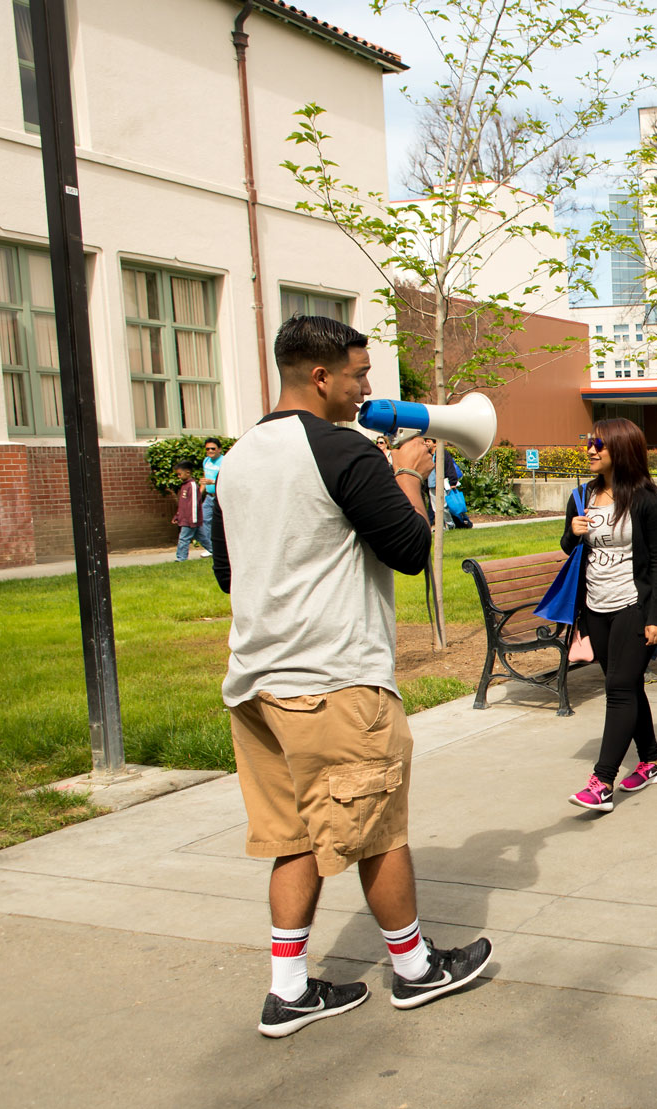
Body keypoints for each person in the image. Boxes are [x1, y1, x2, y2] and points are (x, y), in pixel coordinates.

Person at [212, 315, 492, 1038]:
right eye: (361, 376)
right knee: (378, 828)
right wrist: (405, 470)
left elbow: (226, 572)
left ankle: (290, 990)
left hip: (256, 684)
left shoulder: (238, 458)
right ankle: (415, 970)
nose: (368, 389)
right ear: (322, 377)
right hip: (335, 680)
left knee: (292, 838)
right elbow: (405, 548)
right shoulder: (341, 449)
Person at [563, 419, 657, 813]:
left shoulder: (647, 498)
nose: (591, 450)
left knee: (619, 690)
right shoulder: (582, 496)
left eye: (599, 444)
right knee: (626, 686)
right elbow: (570, 547)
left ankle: (602, 781)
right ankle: (651, 761)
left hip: (633, 606)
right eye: (589, 443)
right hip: (596, 606)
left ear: (621, 448)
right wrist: (572, 533)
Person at [171, 458, 204, 561]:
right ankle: (214, 551)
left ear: (188, 472)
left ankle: (181, 558)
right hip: (185, 518)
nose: (178, 476)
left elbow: (194, 504)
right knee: (203, 538)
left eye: (179, 474)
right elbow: (183, 504)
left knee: (183, 539)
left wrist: (193, 520)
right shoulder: (184, 486)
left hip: (190, 520)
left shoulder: (192, 485)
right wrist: (177, 515)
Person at [200, 436, 224, 555]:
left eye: (213, 449)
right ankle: (211, 548)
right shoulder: (206, 461)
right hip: (209, 496)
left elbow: (227, 479)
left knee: (220, 522)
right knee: (204, 519)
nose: (210, 451)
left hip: (220, 497)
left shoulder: (224, 461)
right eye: (207, 449)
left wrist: (213, 482)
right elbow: (205, 479)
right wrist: (199, 494)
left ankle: (222, 547)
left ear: (219, 449)